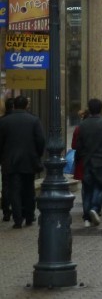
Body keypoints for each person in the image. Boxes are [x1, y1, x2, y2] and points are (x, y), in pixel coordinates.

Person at [0, 95, 45, 228]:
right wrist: (37, 155)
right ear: (26, 106)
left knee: (14, 190)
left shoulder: (4, 121)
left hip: (10, 161)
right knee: (29, 189)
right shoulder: (34, 120)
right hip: (29, 160)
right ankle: (29, 216)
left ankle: (17, 219)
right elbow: (41, 140)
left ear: (14, 106)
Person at [75, 98, 102, 227]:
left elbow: (79, 145)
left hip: (87, 161)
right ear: (101, 109)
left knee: (87, 189)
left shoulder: (83, 125)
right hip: (101, 161)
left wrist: (79, 158)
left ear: (89, 109)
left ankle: (86, 218)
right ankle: (95, 207)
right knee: (101, 186)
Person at [1, 94, 14, 222]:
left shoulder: (2, 121)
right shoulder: (31, 119)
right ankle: (21, 212)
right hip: (24, 160)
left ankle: (6, 211)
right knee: (21, 185)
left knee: (6, 185)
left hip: (6, 159)